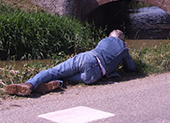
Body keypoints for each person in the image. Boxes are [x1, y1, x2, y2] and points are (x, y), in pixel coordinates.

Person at [5, 29, 137, 96]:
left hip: (86, 58)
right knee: (64, 77)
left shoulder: (104, 40)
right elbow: (130, 68)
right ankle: (54, 84)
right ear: (122, 39)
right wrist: (126, 51)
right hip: (94, 75)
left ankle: (30, 85)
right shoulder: (124, 49)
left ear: (110, 35)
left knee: (54, 71)